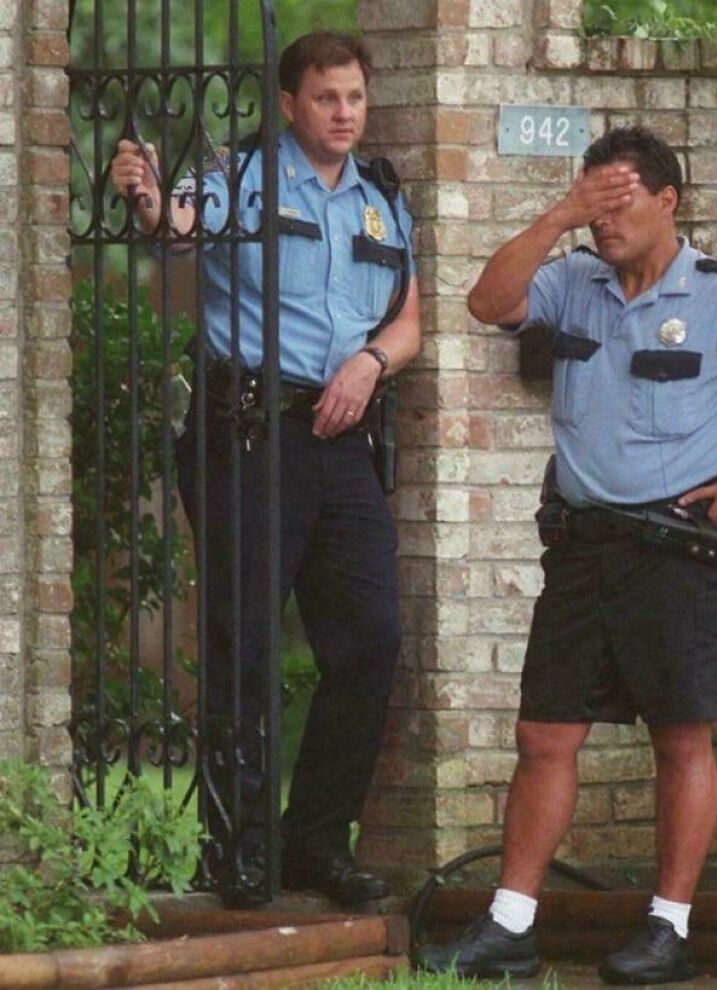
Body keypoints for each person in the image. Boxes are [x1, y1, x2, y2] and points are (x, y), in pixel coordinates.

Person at [416, 126, 717, 984]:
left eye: (617, 204)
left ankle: (670, 925)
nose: (603, 223)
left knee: (681, 738)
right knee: (544, 733)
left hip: (680, 554)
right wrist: (558, 216)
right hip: (584, 549)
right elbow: (486, 301)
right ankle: (509, 926)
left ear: (666, 201)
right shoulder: (573, 282)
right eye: (594, 204)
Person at [110, 31, 420, 905]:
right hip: (246, 431)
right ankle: (237, 850)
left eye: (354, 97)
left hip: (340, 438)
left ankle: (316, 842)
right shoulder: (242, 177)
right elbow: (176, 227)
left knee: (370, 643)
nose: (344, 114)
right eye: (327, 98)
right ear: (290, 104)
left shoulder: (382, 199)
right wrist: (144, 198)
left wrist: (371, 364)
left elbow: (408, 321)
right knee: (243, 645)